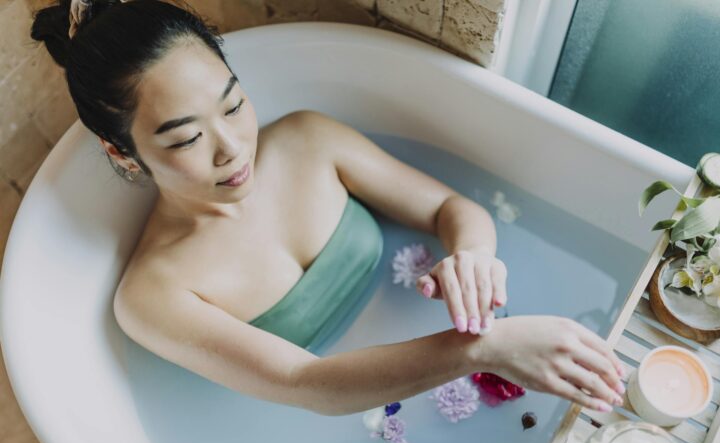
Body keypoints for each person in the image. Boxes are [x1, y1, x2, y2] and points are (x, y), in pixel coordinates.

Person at [31, 0, 626, 416]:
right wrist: (487, 348)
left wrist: (472, 255)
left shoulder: (307, 142)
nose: (233, 147)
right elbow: (307, 385)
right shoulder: (153, 296)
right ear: (124, 153)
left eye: (234, 104)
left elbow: (450, 206)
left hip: (417, 362)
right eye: (186, 139)